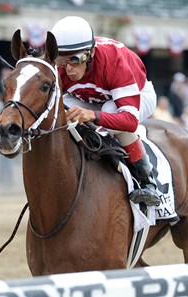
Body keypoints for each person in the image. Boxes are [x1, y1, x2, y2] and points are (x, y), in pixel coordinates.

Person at [51, 16, 160, 206]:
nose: (68, 69)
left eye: (75, 60)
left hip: (139, 95)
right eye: (61, 60)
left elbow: (129, 121)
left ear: (91, 53)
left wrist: (93, 115)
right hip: (91, 98)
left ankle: (147, 181)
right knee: (64, 111)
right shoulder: (60, 69)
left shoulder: (114, 60)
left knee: (112, 109)